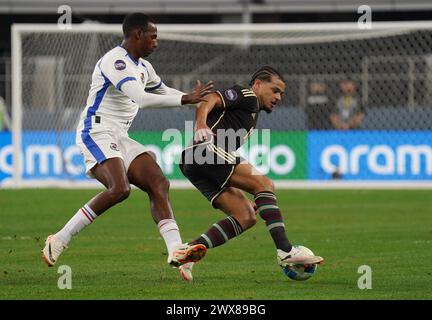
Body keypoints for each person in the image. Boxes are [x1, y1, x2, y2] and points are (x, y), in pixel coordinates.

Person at [41, 13, 213, 280]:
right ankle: (60, 238)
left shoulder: (144, 67)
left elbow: (162, 90)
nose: (156, 42)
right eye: (153, 37)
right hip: (95, 130)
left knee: (159, 182)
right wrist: (186, 100)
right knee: (120, 189)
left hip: (119, 135)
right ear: (137, 34)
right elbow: (142, 99)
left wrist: (194, 100)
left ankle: (177, 251)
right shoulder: (115, 60)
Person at [178, 66, 324, 279]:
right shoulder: (247, 95)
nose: (278, 97)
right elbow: (209, 98)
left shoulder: (250, 110)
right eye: (275, 90)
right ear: (257, 85)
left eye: (281, 93)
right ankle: (285, 250)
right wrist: (201, 124)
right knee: (264, 184)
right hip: (205, 150)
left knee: (245, 215)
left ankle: (188, 253)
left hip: (193, 162)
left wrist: (264, 202)